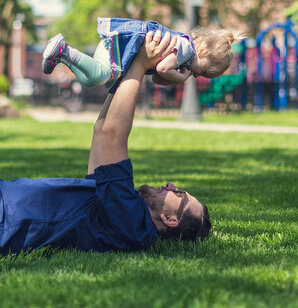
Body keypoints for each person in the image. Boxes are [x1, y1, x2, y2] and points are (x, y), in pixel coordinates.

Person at [0, 31, 211, 256]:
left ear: (170, 220)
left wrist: (140, 65)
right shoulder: (120, 208)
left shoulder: (132, 225)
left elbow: (112, 134)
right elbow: (101, 131)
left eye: (179, 194)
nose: (170, 185)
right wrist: (126, 67)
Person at [42, 17, 245, 93]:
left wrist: (173, 79)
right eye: (201, 71)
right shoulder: (186, 49)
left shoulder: (184, 56)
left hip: (117, 47)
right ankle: (64, 49)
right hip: (121, 46)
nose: (195, 74)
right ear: (201, 50)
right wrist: (179, 77)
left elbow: (158, 76)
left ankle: (62, 57)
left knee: (88, 81)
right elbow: (163, 69)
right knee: (100, 75)